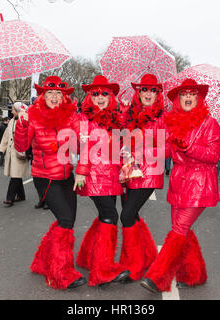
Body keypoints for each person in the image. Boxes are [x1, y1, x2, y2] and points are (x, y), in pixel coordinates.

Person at [141, 78, 220, 293]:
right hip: (178, 181)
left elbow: (214, 156)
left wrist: (188, 148)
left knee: (179, 229)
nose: (188, 97)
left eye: (192, 94)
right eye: (184, 94)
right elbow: (165, 151)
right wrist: (140, 152)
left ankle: (158, 277)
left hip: (200, 183)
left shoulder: (209, 123)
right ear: (178, 99)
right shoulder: (172, 122)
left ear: (199, 98)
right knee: (181, 230)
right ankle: (193, 274)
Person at [14, 76, 87, 290]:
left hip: (67, 176)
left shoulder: (71, 117)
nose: (54, 97)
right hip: (44, 177)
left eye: (59, 94)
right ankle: (60, 273)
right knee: (65, 220)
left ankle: (43, 261)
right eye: (50, 93)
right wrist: (22, 123)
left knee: (69, 221)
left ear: (64, 97)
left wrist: (82, 161)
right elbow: (21, 146)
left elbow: (83, 146)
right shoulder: (33, 117)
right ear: (42, 96)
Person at [74, 75, 131, 287]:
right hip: (95, 175)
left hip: (113, 175)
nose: (100, 97)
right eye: (95, 93)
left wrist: (125, 112)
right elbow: (82, 148)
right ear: (89, 97)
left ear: (112, 97)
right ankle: (102, 271)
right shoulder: (84, 119)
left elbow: (124, 141)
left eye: (104, 94)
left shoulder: (116, 117)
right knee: (110, 216)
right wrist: (81, 172)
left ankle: (88, 257)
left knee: (104, 215)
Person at [114, 74, 165, 283]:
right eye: (144, 89)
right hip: (128, 172)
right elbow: (119, 135)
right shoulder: (131, 113)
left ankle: (134, 265)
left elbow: (166, 147)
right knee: (131, 216)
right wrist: (123, 114)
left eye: (153, 90)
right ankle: (146, 256)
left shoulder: (163, 117)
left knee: (126, 215)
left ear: (158, 94)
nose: (148, 93)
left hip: (149, 174)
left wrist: (141, 151)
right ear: (138, 92)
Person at [0, 102, 31, 207]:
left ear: (18, 110)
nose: (11, 111)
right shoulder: (11, 121)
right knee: (16, 174)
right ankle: (21, 195)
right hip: (11, 151)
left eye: (13, 109)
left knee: (15, 175)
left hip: (20, 151)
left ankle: (10, 198)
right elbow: (6, 136)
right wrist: (2, 149)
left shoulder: (25, 120)